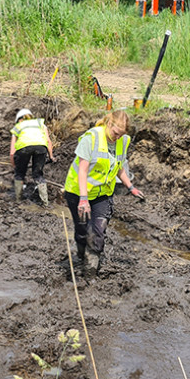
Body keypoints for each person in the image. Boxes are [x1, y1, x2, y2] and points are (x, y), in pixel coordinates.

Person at [62, 109, 144, 275]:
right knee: (82, 230)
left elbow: (119, 166)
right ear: (109, 124)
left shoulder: (123, 141)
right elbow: (83, 171)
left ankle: (91, 269)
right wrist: (83, 200)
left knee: (98, 230)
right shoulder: (91, 138)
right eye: (115, 133)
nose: (117, 137)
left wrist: (131, 187)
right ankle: (80, 256)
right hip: (78, 192)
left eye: (121, 135)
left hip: (103, 194)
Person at [9, 108, 54, 203]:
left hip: (24, 149)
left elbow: (12, 152)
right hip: (41, 147)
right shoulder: (40, 124)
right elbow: (48, 141)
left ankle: (18, 200)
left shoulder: (18, 127)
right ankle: (45, 202)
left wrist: (14, 166)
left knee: (20, 175)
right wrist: (51, 156)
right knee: (38, 175)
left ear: (19, 120)